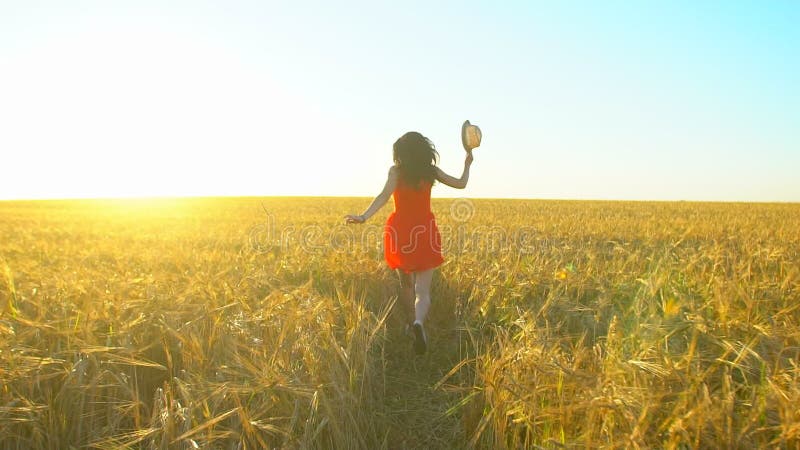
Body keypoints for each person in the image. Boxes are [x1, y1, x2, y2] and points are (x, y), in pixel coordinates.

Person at [345, 131, 474, 354]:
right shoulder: (430, 171)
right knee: (422, 290)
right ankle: (419, 324)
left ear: (401, 153)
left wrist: (364, 217)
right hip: (425, 230)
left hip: (400, 231)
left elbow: (383, 196)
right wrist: (467, 163)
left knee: (406, 285)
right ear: (425, 150)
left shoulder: (396, 172)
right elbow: (461, 184)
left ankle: (409, 323)